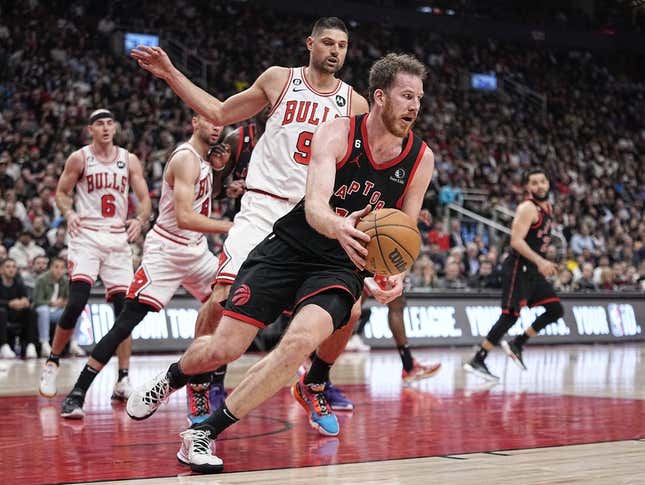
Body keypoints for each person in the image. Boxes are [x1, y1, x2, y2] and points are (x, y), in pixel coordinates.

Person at [126, 53, 434, 473]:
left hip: (340, 266)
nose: (415, 105)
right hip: (291, 244)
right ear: (379, 97)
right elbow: (314, 209)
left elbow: (406, 230)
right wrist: (339, 224)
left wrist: (393, 274)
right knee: (225, 346)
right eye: (406, 96)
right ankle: (173, 377)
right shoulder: (337, 132)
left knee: (296, 344)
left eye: (419, 97)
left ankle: (204, 433)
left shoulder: (421, 158)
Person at [131, 17, 369, 420]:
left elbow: (358, 174)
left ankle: (314, 382)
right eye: (327, 43)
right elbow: (220, 113)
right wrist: (171, 72)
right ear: (309, 43)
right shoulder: (280, 80)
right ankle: (201, 383)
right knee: (222, 299)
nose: (335, 51)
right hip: (263, 208)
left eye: (342, 46)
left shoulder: (355, 104)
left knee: (352, 312)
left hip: (312, 215)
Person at [58, 114, 232, 419]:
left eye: (221, 121)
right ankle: (78, 391)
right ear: (194, 122)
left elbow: (199, 198)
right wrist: (232, 225)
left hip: (196, 250)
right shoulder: (186, 159)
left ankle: (208, 384)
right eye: (210, 119)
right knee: (125, 323)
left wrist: (222, 180)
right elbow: (185, 217)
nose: (217, 126)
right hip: (166, 250)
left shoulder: (206, 160)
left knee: (228, 305)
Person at [38, 109, 151, 399]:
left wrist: (140, 220)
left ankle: (123, 378)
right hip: (86, 234)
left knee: (123, 312)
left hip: (116, 238)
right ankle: (52, 361)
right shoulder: (79, 157)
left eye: (109, 122)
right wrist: (68, 212)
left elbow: (145, 199)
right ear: (90, 129)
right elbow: (62, 192)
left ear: (115, 127)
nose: (105, 128)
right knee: (76, 302)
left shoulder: (129, 160)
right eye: (99, 123)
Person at [464, 168, 563, 381]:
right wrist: (541, 260)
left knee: (555, 309)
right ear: (528, 187)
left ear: (548, 184)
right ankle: (478, 359)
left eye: (542, 181)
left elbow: (537, 240)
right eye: (534, 183)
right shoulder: (527, 208)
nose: (539, 186)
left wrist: (546, 259)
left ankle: (518, 343)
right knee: (510, 315)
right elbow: (516, 241)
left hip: (534, 270)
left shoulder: (548, 208)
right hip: (519, 267)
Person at [32, 256, 79, 358]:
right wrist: (52, 303)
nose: (59, 270)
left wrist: (64, 303)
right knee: (43, 310)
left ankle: (74, 344)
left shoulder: (65, 280)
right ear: (50, 268)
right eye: (56, 267)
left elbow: (69, 299)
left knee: (76, 312)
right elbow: (37, 301)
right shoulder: (41, 279)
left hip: (57, 312)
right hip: (44, 311)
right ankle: (45, 344)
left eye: (62, 268)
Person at [0, 258, 38, 358]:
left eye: (13, 267)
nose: (11, 269)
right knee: (1, 312)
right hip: (3, 314)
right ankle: (3, 346)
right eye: (8, 267)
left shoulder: (19, 283)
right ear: (1, 270)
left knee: (31, 311)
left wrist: (24, 302)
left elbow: (26, 298)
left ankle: (31, 345)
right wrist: (9, 303)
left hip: (16, 313)